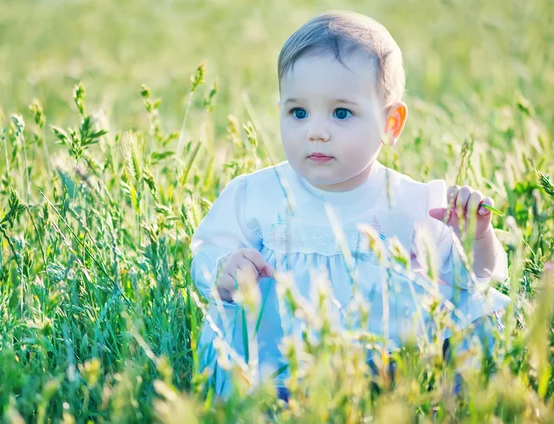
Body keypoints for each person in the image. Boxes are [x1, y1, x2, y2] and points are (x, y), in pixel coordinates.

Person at [190, 10, 510, 400]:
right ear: (280, 112)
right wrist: (225, 269)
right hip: (282, 369)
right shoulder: (256, 194)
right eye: (298, 112)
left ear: (390, 124)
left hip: (393, 365)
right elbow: (207, 254)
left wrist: (477, 238)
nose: (316, 131)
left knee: (480, 328)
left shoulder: (414, 205)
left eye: (342, 113)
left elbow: (476, 284)